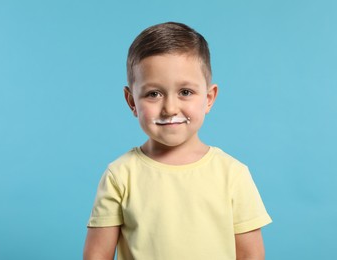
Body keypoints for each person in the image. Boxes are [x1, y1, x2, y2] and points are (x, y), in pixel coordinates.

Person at [83, 22, 272, 260]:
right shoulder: (120, 175)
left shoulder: (233, 174)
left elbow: (250, 256)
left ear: (209, 98)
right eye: (154, 94)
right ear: (132, 102)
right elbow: (96, 255)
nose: (170, 108)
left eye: (185, 92)